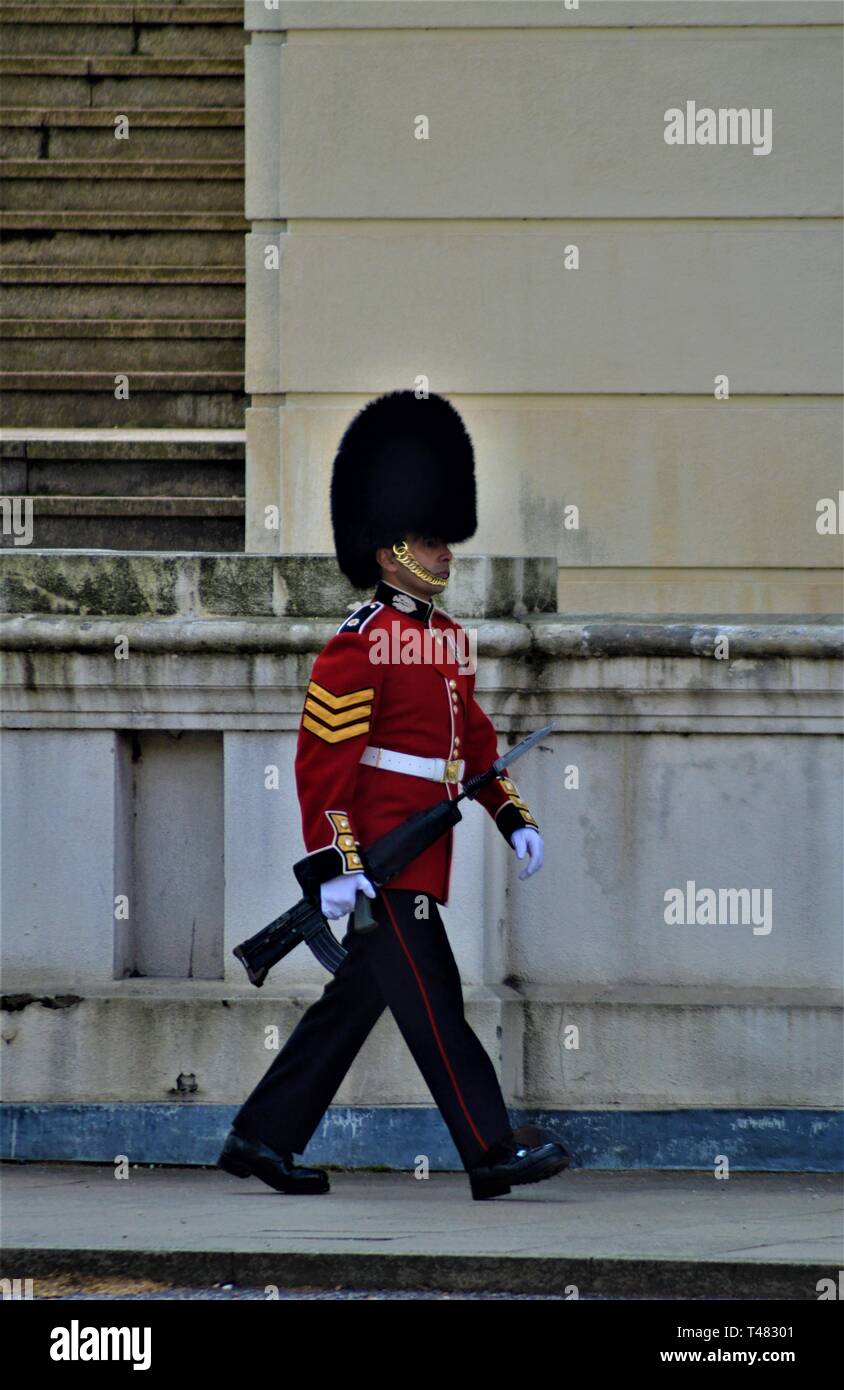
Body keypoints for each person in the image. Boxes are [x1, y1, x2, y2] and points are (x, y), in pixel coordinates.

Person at [218, 390, 571, 1200]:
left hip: (420, 844)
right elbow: (323, 760)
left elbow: (472, 741)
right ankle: (489, 1147)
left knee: (357, 1001)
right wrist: (338, 862)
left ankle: (261, 1136)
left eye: (445, 537)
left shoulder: (443, 639)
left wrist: (510, 813)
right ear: (386, 549)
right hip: (381, 855)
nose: (445, 552)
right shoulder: (357, 644)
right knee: (435, 1001)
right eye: (428, 538)